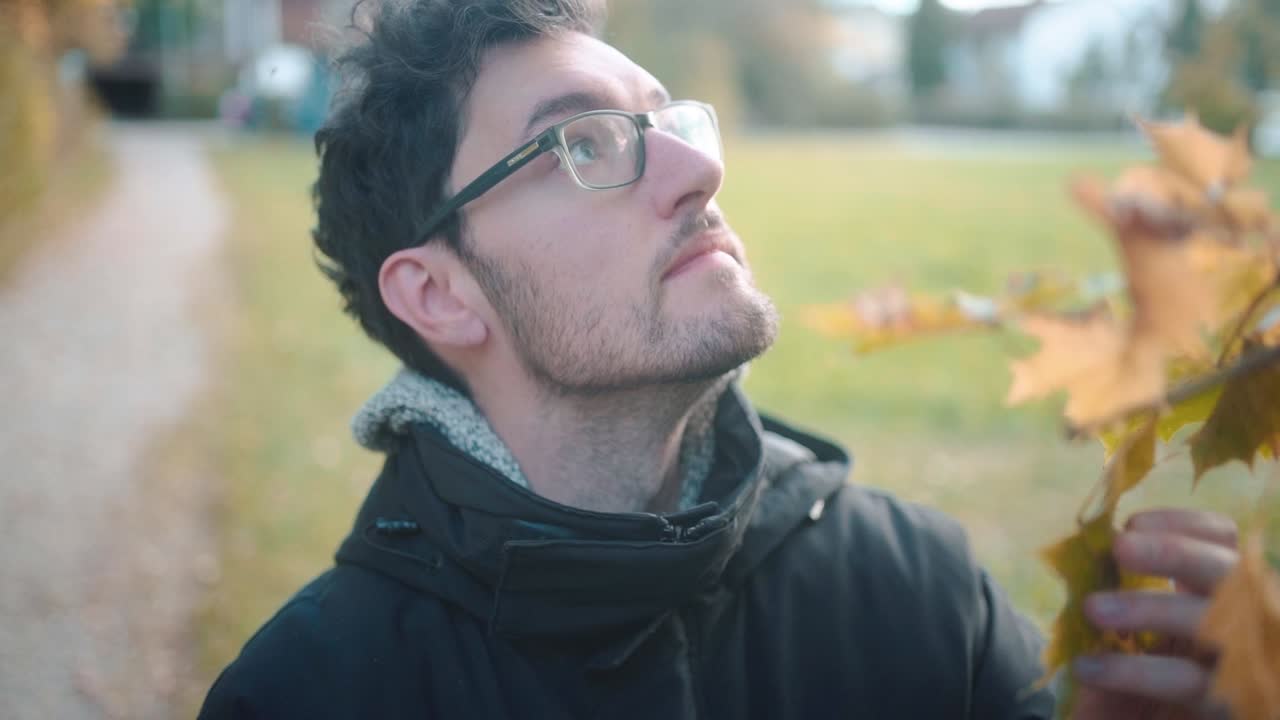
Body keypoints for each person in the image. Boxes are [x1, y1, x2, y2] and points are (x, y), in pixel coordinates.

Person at [199, 1, 1241, 717]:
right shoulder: (311, 694)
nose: (697, 168)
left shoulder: (917, 592)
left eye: (667, 122)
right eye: (583, 144)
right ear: (439, 294)